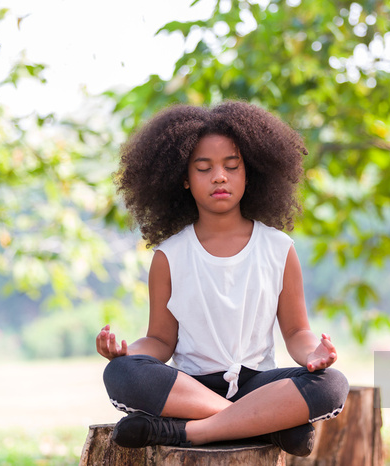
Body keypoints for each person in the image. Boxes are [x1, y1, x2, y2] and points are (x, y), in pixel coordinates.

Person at [96, 101, 349, 457]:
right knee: (121, 375)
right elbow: (160, 340)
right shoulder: (169, 256)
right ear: (183, 179)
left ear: (250, 173)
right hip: (191, 388)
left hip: (259, 383)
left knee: (332, 385)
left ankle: (189, 433)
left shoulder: (278, 247)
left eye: (232, 166)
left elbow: (295, 331)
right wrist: (127, 353)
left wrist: (314, 355)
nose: (220, 177)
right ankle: (265, 424)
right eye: (204, 168)